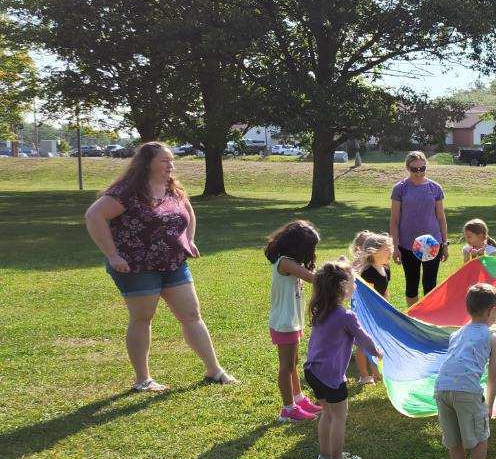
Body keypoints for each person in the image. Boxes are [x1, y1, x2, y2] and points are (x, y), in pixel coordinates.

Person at [84, 141, 237, 392]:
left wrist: (189, 239)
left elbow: (188, 211)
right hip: (136, 266)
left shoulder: (171, 188)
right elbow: (94, 216)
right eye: (164, 161)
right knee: (142, 318)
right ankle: (142, 379)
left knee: (191, 315)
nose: (171, 165)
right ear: (147, 163)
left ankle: (214, 370)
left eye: (171, 160)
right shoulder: (127, 192)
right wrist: (112, 255)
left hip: (173, 262)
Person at [304, 259, 383, 459]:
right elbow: (362, 338)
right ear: (342, 287)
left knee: (327, 413)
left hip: (313, 371)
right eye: (352, 281)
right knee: (339, 415)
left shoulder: (321, 309)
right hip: (329, 374)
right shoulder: (346, 315)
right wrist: (376, 351)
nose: (355, 285)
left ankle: (324, 455)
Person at [434, 284, 496, 459]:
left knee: (453, 438)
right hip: (467, 392)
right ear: (492, 311)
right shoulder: (492, 339)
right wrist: (489, 406)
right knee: (479, 436)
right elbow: (493, 378)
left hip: (441, 389)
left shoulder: (456, 334)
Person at [264, 220, 323, 422]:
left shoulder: (291, 262)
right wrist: (338, 271)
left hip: (292, 321)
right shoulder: (286, 263)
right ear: (299, 246)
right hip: (285, 323)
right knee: (286, 366)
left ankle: (298, 399)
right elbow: (314, 279)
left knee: (293, 363)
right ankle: (288, 409)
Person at [390, 151, 448, 307]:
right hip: (408, 245)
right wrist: (395, 247)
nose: (418, 173)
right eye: (414, 169)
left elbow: (441, 218)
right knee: (412, 283)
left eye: (422, 169)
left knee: (430, 284)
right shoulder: (400, 189)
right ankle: (413, 319)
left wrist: (445, 244)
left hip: (433, 244)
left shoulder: (435, 188)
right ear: (407, 168)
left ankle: (428, 319)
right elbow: (394, 220)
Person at [350, 230, 394, 384]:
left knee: (375, 340)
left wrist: (387, 308)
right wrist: (375, 313)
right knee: (363, 342)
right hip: (366, 312)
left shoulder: (385, 268)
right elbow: (366, 297)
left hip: (378, 310)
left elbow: (385, 290)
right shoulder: (368, 272)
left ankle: (375, 371)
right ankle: (364, 375)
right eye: (386, 249)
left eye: (390, 248)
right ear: (374, 252)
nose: (391, 251)